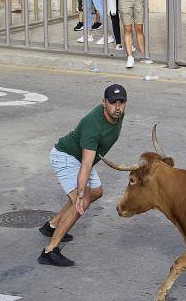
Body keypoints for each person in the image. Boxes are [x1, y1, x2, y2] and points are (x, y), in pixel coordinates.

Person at [38, 84, 127, 267]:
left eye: (121, 102)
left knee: (96, 192)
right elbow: (86, 164)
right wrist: (79, 194)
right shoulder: (92, 126)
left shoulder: (118, 115)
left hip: (81, 158)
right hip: (66, 157)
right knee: (83, 200)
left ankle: (52, 225)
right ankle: (50, 251)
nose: (117, 107)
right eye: (113, 103)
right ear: (104, 103)